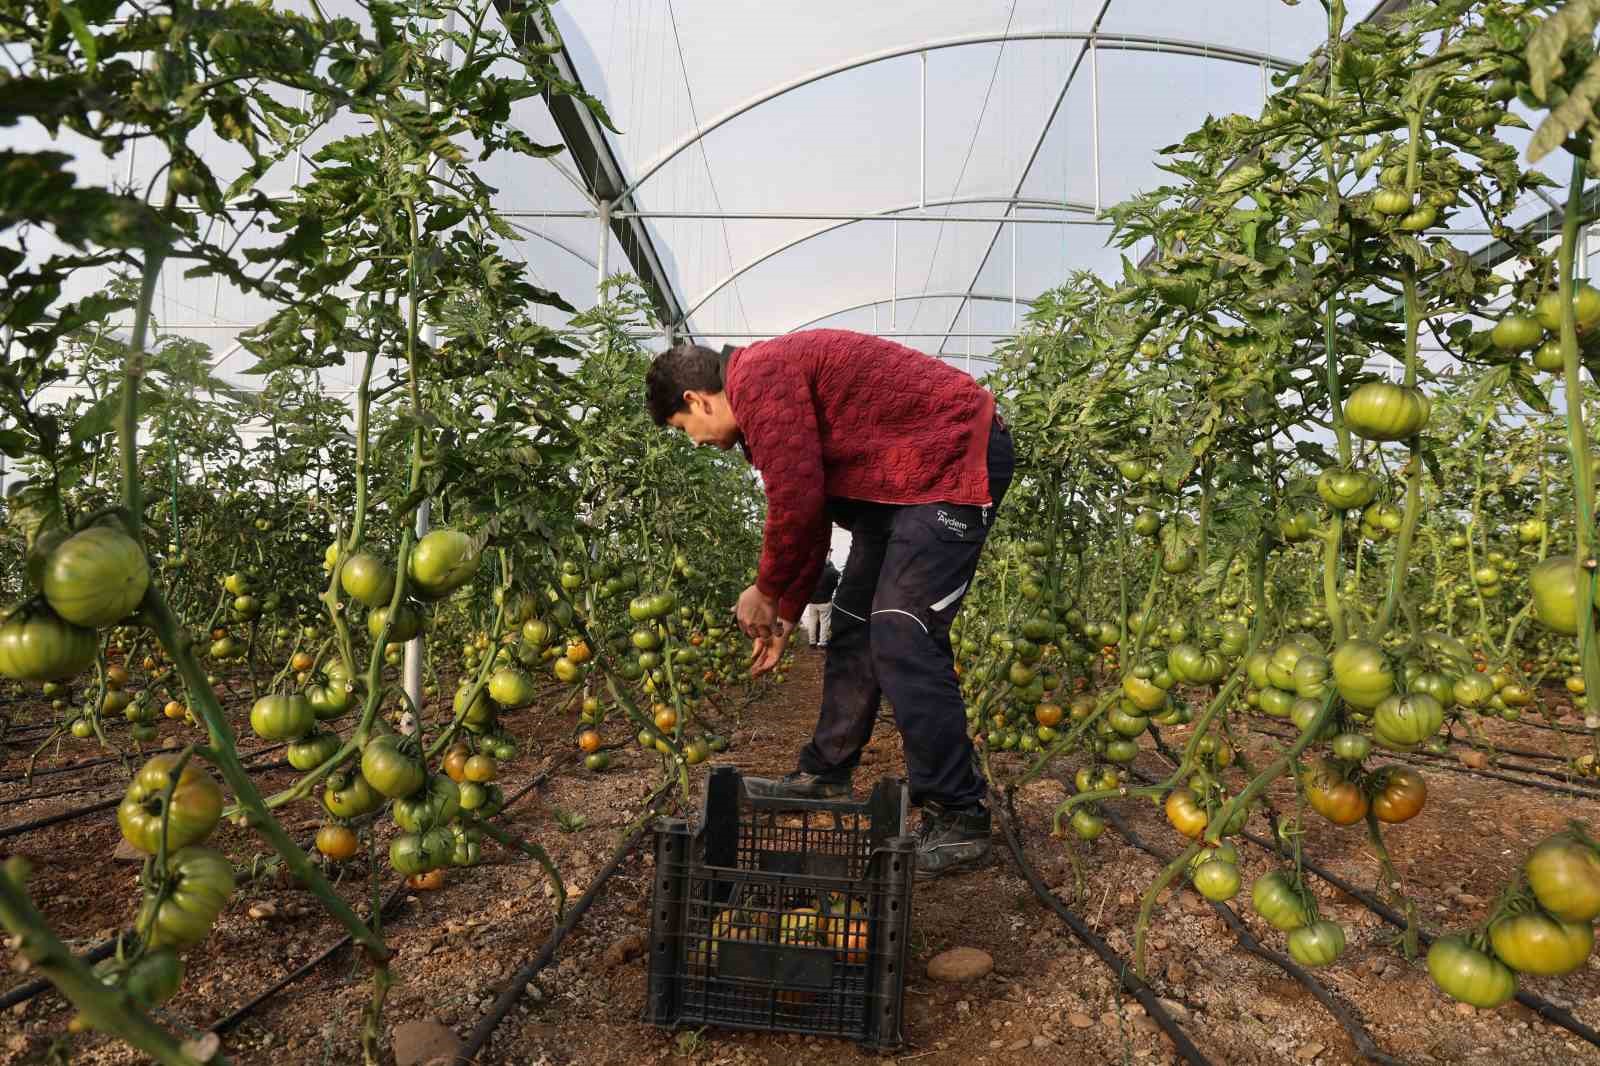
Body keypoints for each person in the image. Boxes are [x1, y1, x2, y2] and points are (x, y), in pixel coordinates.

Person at [645, 328, 1013, 878]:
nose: (696, 441)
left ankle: (959, 811)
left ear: (697, 400)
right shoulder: (763, 386)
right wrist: (789, 610)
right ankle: (827, 769)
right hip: (893, 493)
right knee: (853, 624)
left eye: (684, 429)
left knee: (900, 627)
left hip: (952, 459)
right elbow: (812, 513)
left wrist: (766, 590)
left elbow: (795, 497)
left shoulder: (757, 376)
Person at [801, 559, 840, 648]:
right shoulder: (833, 572)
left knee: (812, 622)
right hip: (825, 602)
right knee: (824, 623)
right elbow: (836, 583)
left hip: (813, 602)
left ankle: (812, 642)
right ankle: (823, 642)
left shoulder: (812, 572)